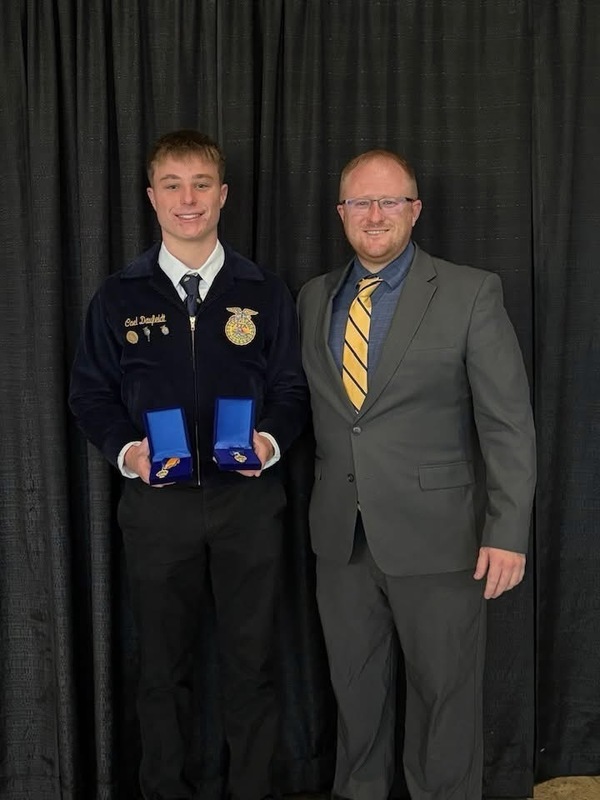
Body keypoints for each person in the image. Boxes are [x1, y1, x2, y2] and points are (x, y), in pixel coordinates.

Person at [70, 130, 308, 800]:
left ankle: (252, 790)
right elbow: (89, 394)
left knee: (251, 666)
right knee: (160, 671)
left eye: (201, 184)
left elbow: (292, 389)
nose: (188, 199)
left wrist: (269, 442)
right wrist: (127, 451)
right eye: (172, 185)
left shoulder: (264, 291)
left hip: (248, 505)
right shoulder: (119, 295)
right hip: (157, 509)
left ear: (223, 194)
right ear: (151, 197)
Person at [297, 149, 536, 800]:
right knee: (355, 699)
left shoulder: (470, 292)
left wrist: (507, 531)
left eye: (390, 201)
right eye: (360, 202)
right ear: (341, 212)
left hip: (441, 539)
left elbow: (507, 424)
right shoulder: (314, 298)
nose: (374, 215)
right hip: (341, 542)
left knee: (445, 703)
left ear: (415, 210)